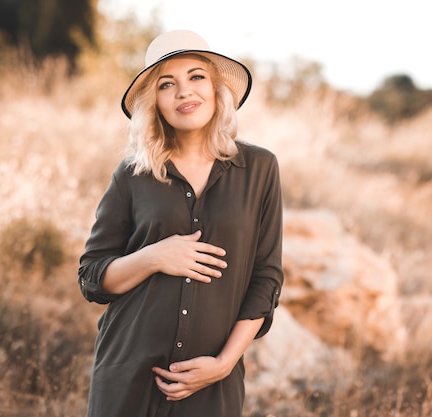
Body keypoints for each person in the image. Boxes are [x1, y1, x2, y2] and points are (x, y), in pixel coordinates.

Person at [78, 30, 283, 417]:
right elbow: (92, 276)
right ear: (154, 102)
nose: (184, 92)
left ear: (216, 88)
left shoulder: (259, 168)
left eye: (196, 77)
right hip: (128, 377)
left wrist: (223, 364)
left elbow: (267, 278)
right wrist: (154, 256)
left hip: (212, 384)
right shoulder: (132, 175)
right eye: (166, 84)